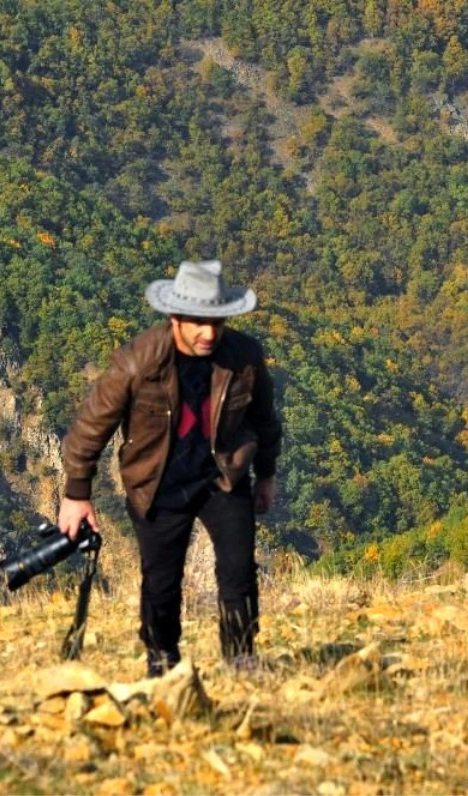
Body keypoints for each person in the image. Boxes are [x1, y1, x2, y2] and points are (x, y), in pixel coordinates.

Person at [58, 260, 282, 676]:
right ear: (175, 317)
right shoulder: (138, 361)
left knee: (238, 571)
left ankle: (241, 658)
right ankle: (162, 661)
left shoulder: (244, 357)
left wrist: (265, 475)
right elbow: (91, 425)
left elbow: (264, 419)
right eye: (198, 321)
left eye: (217, 321)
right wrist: (77, 493)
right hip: (157, 481)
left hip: (223, 476)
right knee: (161, 580)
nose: (208, 333)